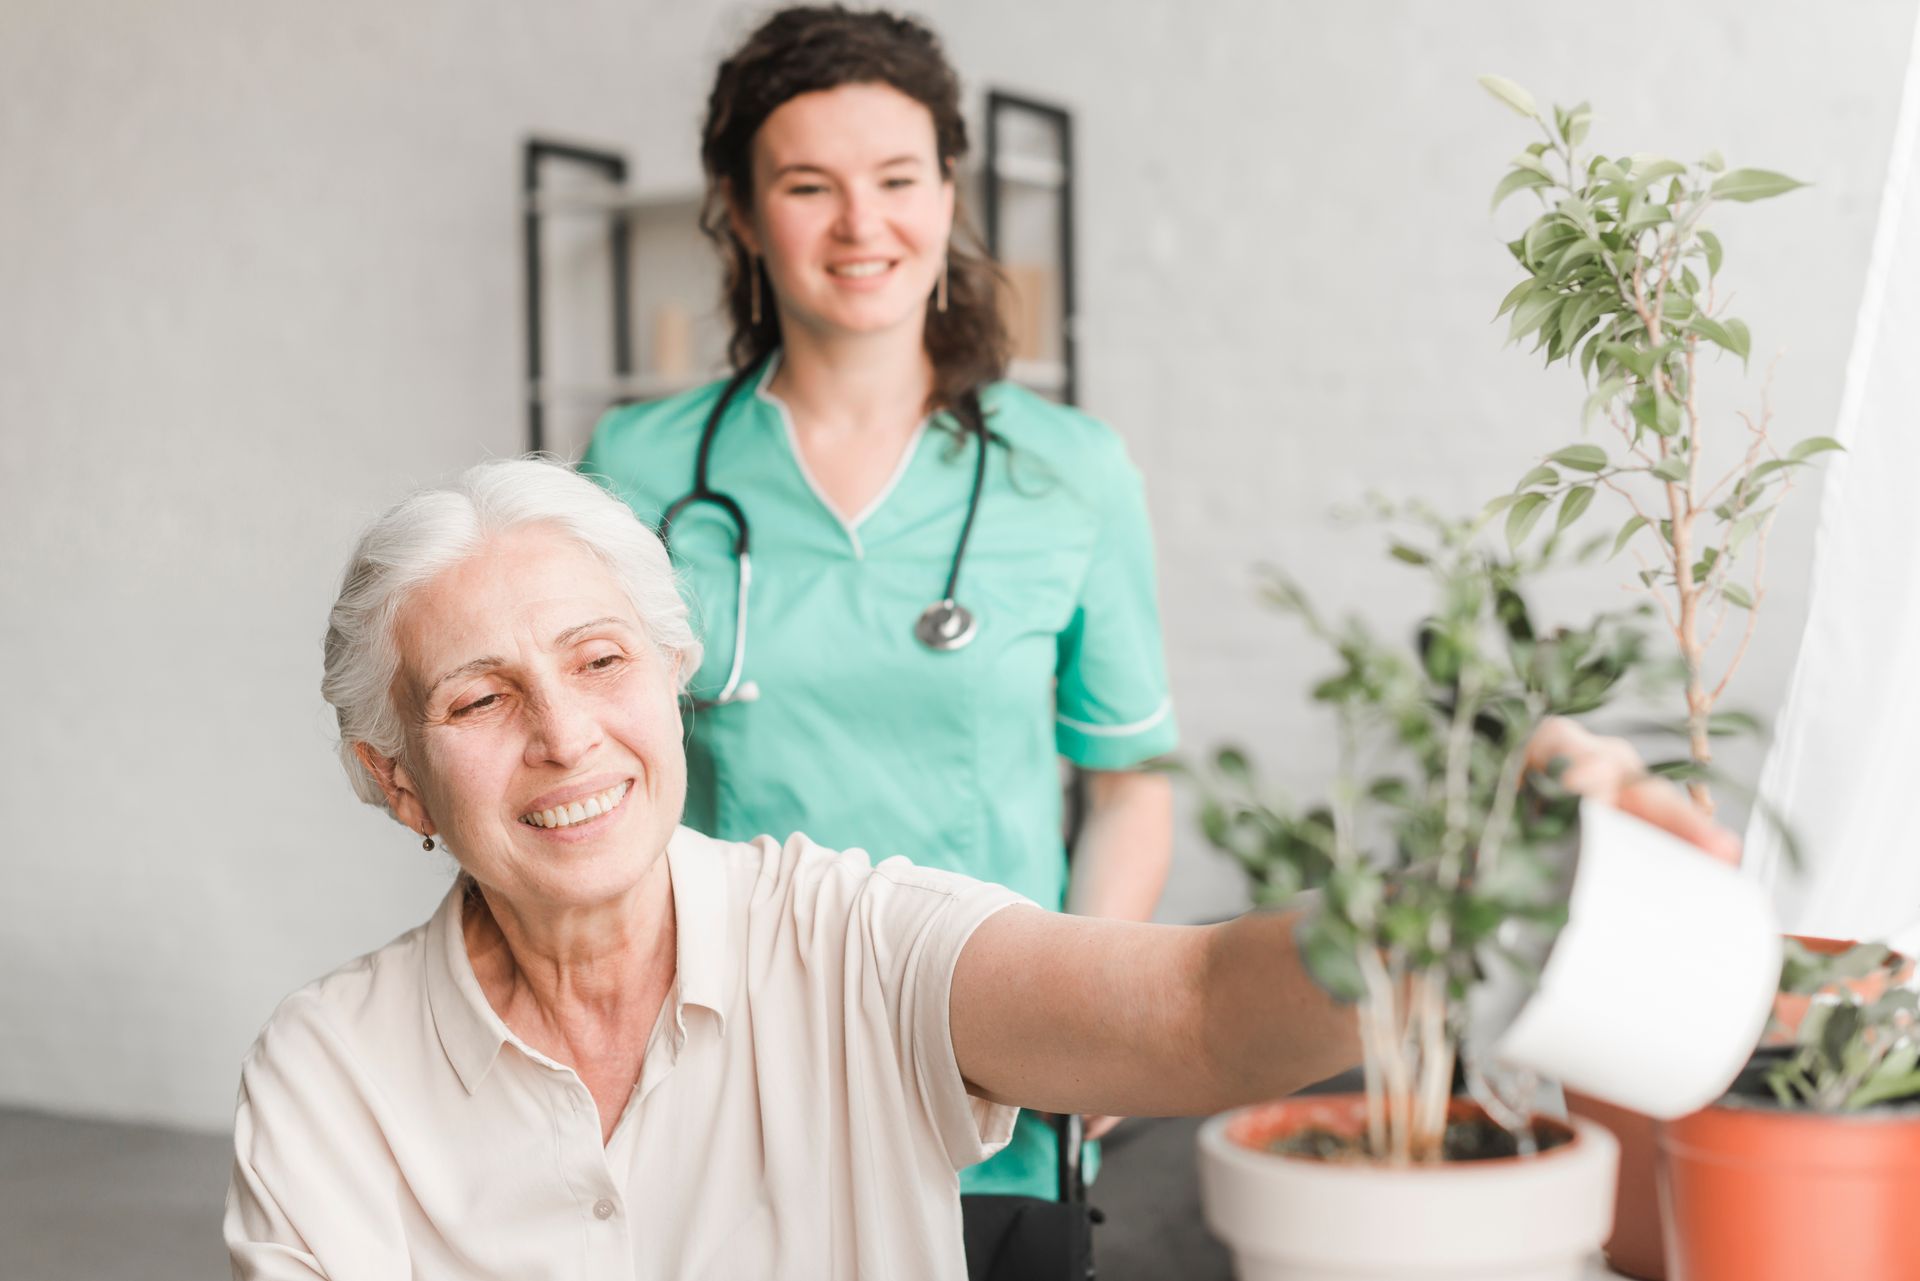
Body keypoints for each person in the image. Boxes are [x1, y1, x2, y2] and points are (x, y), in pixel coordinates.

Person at [224, 458, 1735, 1280]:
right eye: (481, 699)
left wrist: (1482, 893)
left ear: (672, 679)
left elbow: (1199, 1004)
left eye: (599, 659)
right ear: (395, 779)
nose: (564, 734)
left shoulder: (850, 940)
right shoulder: (330, 1072)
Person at [580, 5, 1175, 1200]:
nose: (863, 223)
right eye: (808, 186)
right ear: (742, 215)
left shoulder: (1070, 472)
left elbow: (1128, 787)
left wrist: (1097, 993)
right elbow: (592, 777)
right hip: (720, 1067)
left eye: (899, 177)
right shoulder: (636, 468)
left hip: (993, 1066)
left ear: (950, 194)